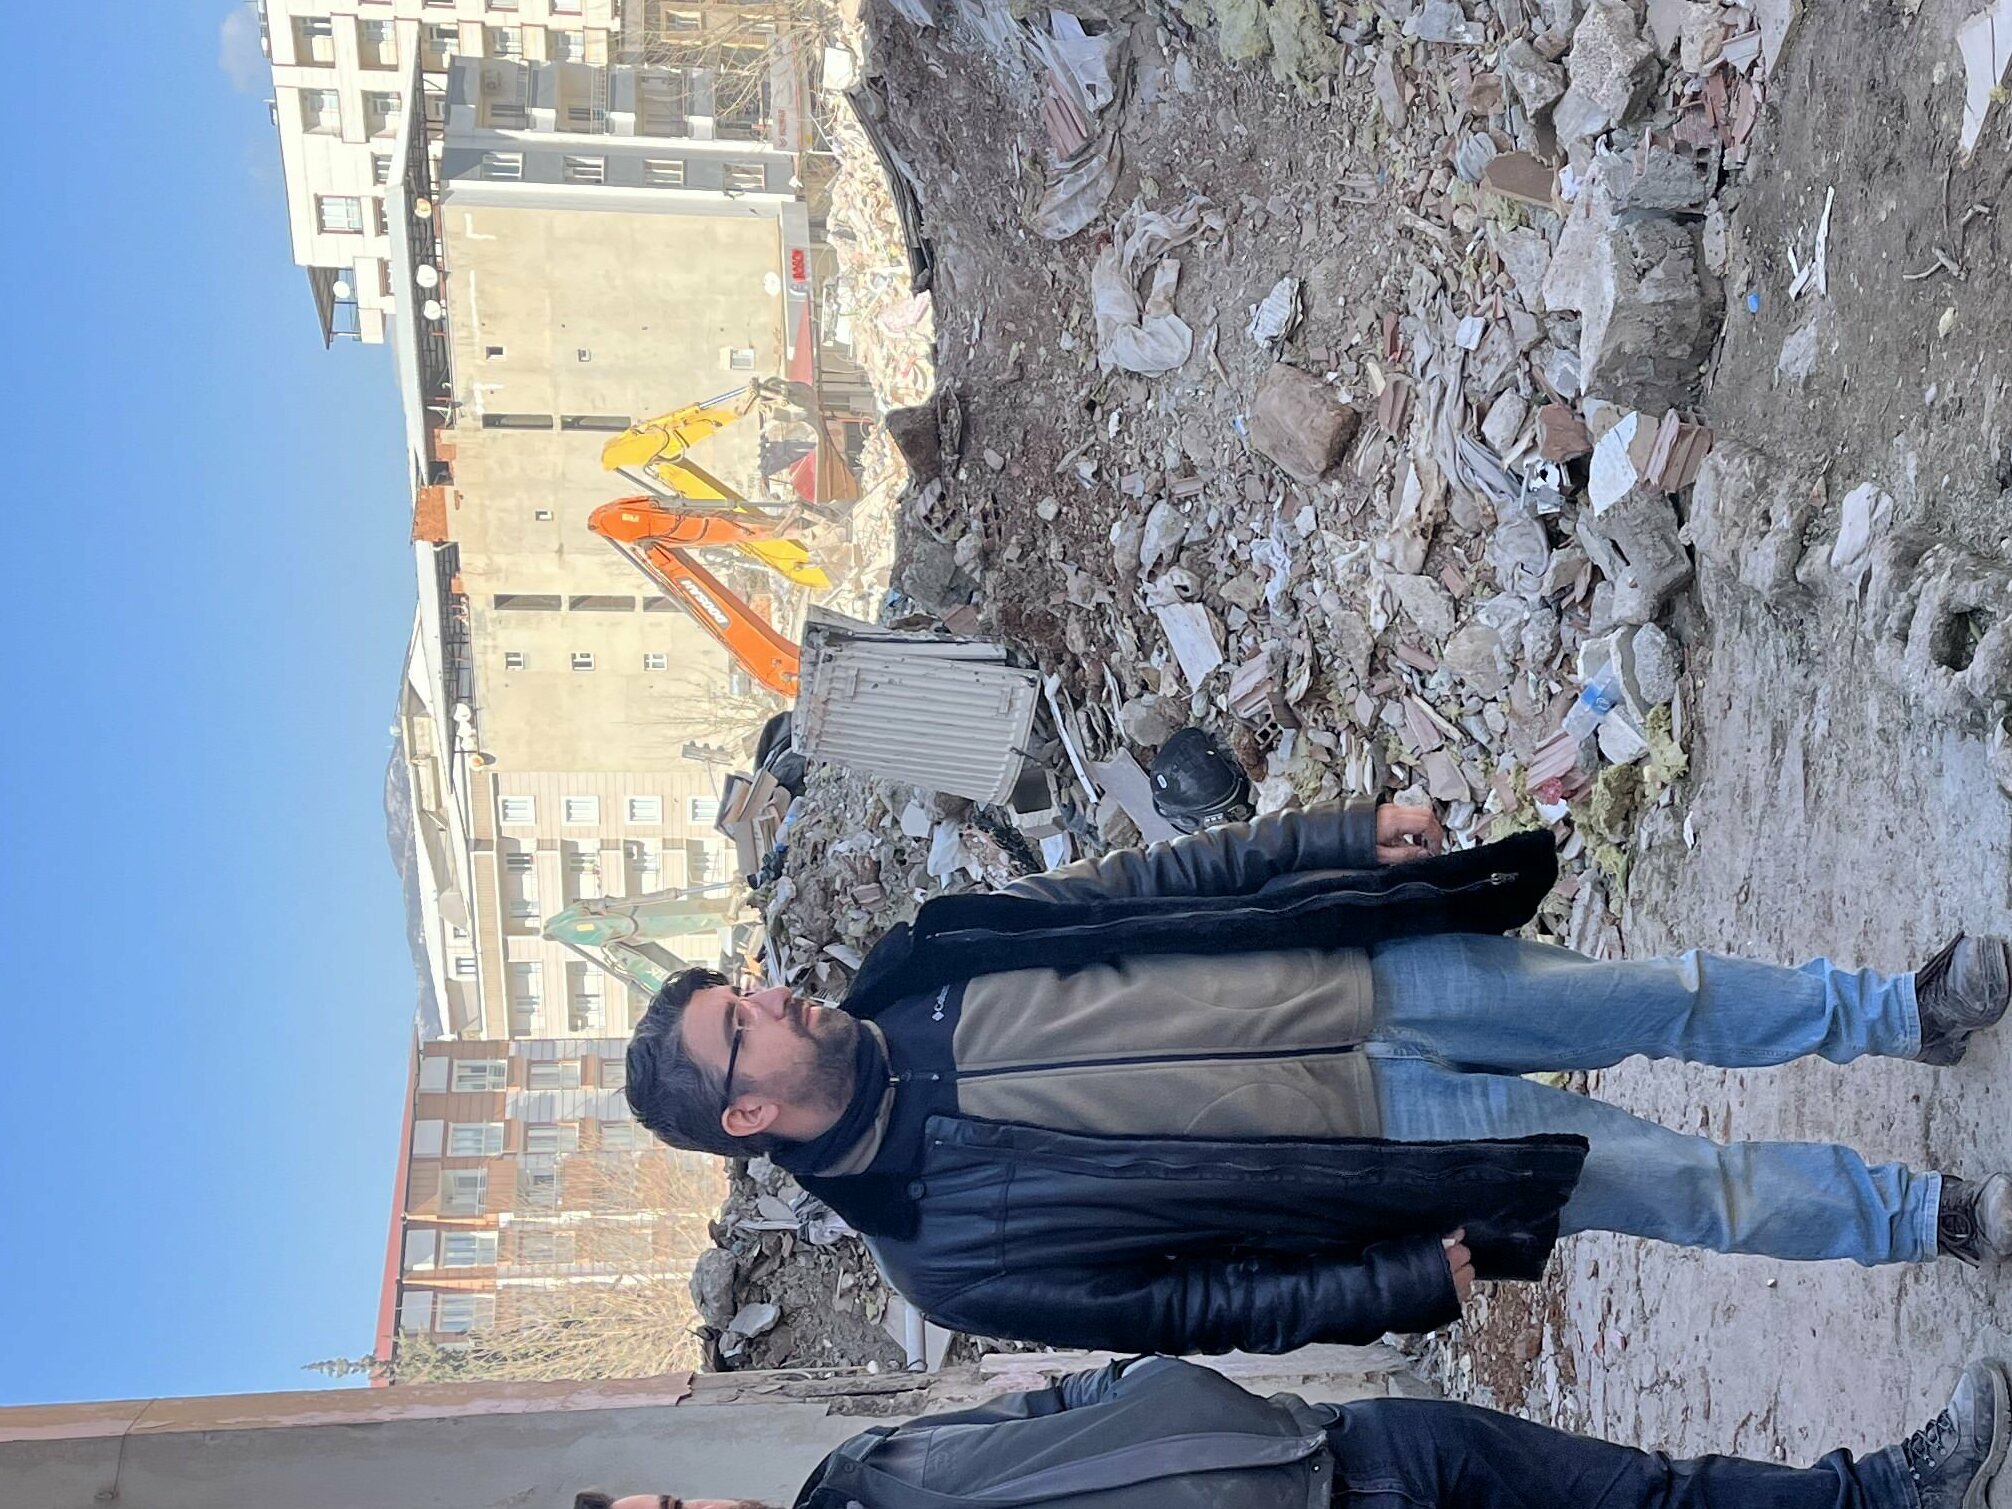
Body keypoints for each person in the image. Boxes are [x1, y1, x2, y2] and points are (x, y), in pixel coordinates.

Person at [624, 798, 2012, 1355]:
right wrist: (1383, 1286)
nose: (774, 995)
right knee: (1681, 1182)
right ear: (747, 1113)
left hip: (1374, 974)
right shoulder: (937, 1254)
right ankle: (1933, 1219)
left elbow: (1150, 883)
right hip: (1387, 1145)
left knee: (1669, 991)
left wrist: (1336, 837)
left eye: (744, 984)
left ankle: (1908, 1010)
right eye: (741, 1025)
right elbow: (1184, 1307)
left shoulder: (923, 952)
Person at [569, 1352, 2012, 1509]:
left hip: (1333, 1449)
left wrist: (1146, 1384)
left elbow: (1038, 1414)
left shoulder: (855, 1473)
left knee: (1642, 1491)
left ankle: (1888, 1492)